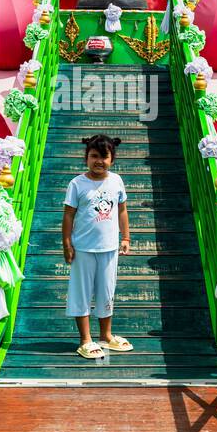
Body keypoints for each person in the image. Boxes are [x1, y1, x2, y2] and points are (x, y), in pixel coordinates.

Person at [62, 133, 132, 359]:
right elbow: (68, 215)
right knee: (81, 293)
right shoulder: (77, 184)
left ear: (112, 159)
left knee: (106, 293)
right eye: (93, 156)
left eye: (104, 157)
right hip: (83, 249)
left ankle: (106, 336)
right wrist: (67, 243)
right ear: (86, 158)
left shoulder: (116, 181)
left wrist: (126, 238)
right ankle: (85, 339)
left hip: (109, 248)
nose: (98, 161)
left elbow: (122, 210)